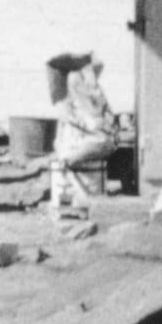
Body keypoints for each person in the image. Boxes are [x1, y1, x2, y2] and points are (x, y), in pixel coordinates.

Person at [44, 52, 119, 225]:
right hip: (85, 146)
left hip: (94, 144)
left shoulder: (91, 100)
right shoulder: (70, 104)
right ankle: (73, 201)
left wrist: (70, 156)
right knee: (66, 160)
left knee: (70, 159)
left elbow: (103, 137)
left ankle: (82, 202)